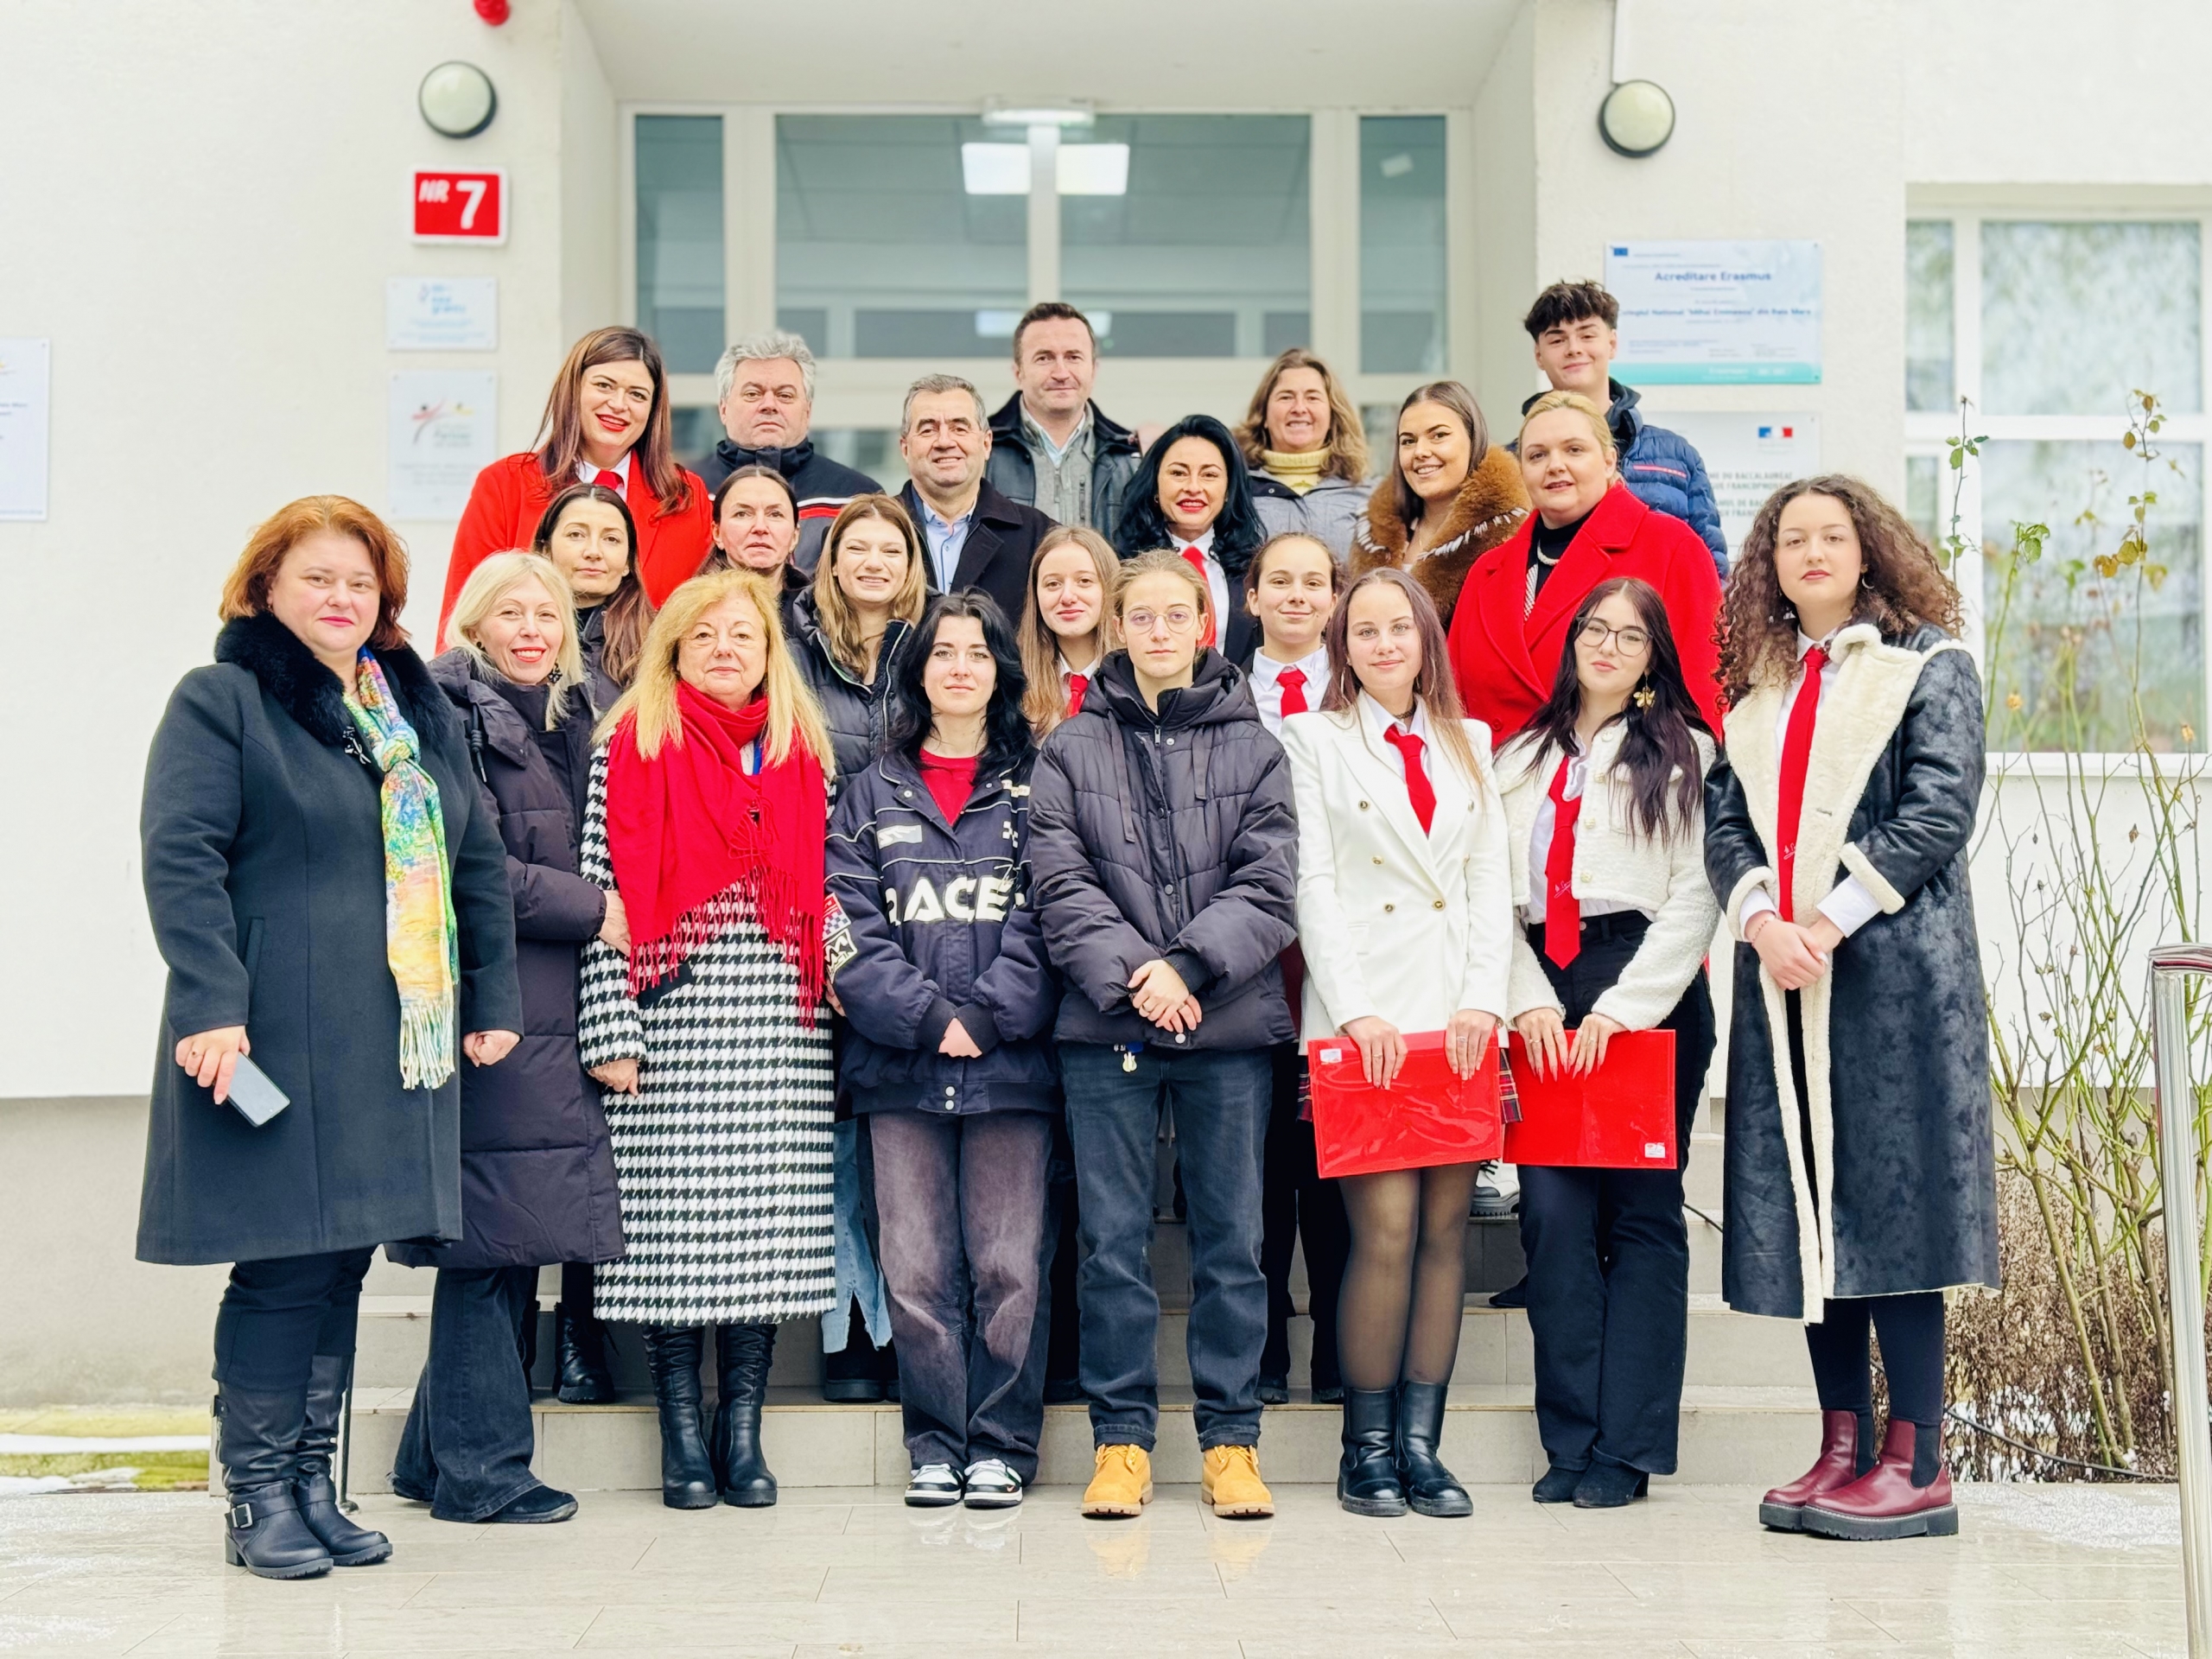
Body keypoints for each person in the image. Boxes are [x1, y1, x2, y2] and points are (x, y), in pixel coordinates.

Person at [139, 496, 521, 1578]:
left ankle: (313, 1483)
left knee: (343, 1259)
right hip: (274, 1030)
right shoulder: (224, 700)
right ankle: (257, 1496)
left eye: (361, 583)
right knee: (283, 1265)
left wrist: (491, 999)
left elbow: (473, 859)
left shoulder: (407, 712)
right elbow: (182, 857)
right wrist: (210, 1002)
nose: (342, 599)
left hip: (393, 1036)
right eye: (317, 578)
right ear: (266, 588)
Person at [1705, 476, 1995, 1541]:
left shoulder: (1928, 665)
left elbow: (1936, 811)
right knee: (1812, 1212)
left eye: (1832, 536)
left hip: (1894, 985)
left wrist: (1823, 922)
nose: (1812, 553)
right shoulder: (1761, 690)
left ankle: (1915, 1462)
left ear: (1866, 551)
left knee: (1892, 1209)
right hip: (1785, 981)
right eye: (1792, 540)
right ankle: (1842, 1446)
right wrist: (1760, 922)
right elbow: (1725, 821)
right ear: (1771, 565)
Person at [1028, 549, 1299, 1522]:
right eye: (1137, 616)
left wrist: (1186, 967)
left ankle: (1231, 1443)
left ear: (1202, 626)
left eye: (1173, 615)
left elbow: (1270, 884)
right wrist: (1138, 976)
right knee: (1111, 1244)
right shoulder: (1070, 747)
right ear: (1117, 628)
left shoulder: (1255, 748)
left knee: (1232, 1243)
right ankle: (1122, 1444)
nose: (1156, 631)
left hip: (1226, 1024)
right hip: (1107, 1025)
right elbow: (1058, 882)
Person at [575, 569, 839, 1510]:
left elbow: (831, 891)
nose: (725, 649)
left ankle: (743, 1431)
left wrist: (846, 987)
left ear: (770, 653)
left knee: (764, 1239)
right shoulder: (630, 748)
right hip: (670, 1019)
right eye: (705, 636)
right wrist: (609, 1025)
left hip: (781, 1030)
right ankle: (681, 1434)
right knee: (670, 1242)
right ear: (674, 649)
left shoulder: (802, 752)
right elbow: (600, 896)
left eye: (743, 636)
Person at [391, 553, 628, 1523]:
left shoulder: (576, 711)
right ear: (474, 622)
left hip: (550, 1002)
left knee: (506, 1232)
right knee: (491, 1244)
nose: (532, 630)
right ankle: (484, 1475)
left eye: (548, 614)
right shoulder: (445, 711)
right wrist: (598, 907)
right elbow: (468, 861)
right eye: (511, 613)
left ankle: (427, 1461)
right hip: (497, 1001)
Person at [1279, 568, 1510, 1520]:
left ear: (1425, 642)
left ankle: (1422, 1448)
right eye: (1364, 631)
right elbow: (1313, 884)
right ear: (1343, 646)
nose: (1383, 645)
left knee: (1446, 1234)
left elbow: (1490, 878)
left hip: (1457, 1018)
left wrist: (1484, 1000)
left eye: (1398, 629)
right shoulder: (1313, 738)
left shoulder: (1470, 741)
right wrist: (1356, 1010)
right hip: (1365, 1017)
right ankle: (1365, 1449)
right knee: (1384, 1232)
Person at [826, 593, 1061, 1510]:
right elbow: (844, 924)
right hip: (901, 1069)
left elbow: (1057, 912)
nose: (960, 668)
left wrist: (990, 1015)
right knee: (916, 1269)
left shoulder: (1041, 785)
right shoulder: (867, 790)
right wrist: (928, 1018)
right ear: (918, 672)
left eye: (977, 652)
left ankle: (1000, 1444)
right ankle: (933, 1444)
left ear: (1001, 671)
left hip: (1011, 1068)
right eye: (942, 653)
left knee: (1009, 1265)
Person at [1497, 578, 1719, 1510]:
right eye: (1596, 628)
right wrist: (1524, 1000)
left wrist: (1624, 1011)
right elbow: (1484, 892)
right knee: (1551, 1219)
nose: (1608, 646)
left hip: (1644, 990)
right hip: (1541, 991)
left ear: (1652, 655)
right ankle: (1572, 1439)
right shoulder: (1516, 757)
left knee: (1639, 1219)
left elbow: (1697, 895)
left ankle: (1627, 1448)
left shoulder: (1686, 751)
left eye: (1631, 636)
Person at [790, 493, 927, 1400]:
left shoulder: (933, 648)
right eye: (858, 547)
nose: (874, 562)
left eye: (892, 549)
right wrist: (828, 935)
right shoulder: (794, 652)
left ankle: (910, 1323)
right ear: (831, 560)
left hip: (927, 917)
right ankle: (850, 1330)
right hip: (824, 907)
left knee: (902, 1131)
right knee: (838, 1135)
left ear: (912, 567)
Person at [1234, 532, 1351, 1408]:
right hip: (1250, 955)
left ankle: (1341, 1352)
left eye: (1315, 582)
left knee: (1336, 1163)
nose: (1297, 596)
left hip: (1340, 955)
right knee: (1260, 1164)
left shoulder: (1359, 694)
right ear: (1251, 597)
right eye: (1281, 581)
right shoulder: (1221, 692)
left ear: (1335, 599)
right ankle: (1265, 1347)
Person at [1448, 391, 1726, 745]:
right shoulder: (1486, 571)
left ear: (1609, 461)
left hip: (1622, 773)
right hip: (1494, 774)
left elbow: (1704, 697)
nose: (1555, 465)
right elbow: (1452, 703)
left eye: (1574, 450)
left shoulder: (1672, 549)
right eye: (1537, 455)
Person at [442, 326, 710, 635]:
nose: (619, 404)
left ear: (653, 409)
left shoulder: (685, 497)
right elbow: (463, 617)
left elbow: (701, 620)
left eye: (637, 394)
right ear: (573, 390)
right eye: (604, 385)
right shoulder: (504, 484)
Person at [1523, 280, 1729, 575]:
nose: (1574, 349)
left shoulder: (1677, 455)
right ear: (1538, 355)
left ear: (1612, 343)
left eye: (1587, 335)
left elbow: (1711, 565)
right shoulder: (1515, 463)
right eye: (1557, 340)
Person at [696, 329, 880, 573]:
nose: (769, 405)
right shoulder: (682, 491)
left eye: (785, 395)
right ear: (723, 408)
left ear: (808, 411)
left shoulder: (855, 496)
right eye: (752, 394)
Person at [1349, 381, 1529, 629]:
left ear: (1473, 439)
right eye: (1408, 441)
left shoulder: (1511, 535)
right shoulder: (1372, 535)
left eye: (1439, 436)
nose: (1420, 452)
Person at [896, 372, 1055, 624]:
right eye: (928, 430)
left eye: (960, 428)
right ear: (905, 448)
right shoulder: (874, 531)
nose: (944, 441)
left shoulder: (1039, 536)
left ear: (986, 444)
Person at [1114, 413, 1268, 663]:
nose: (1193, 487)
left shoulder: (1255, 569)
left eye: (1209, 475)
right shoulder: (1120, 564)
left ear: (1228, 490)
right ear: (1155, 485)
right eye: (1178, 473)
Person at [984, 302, 1143, 532]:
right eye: (1044, 358)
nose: (1061, 373)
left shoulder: (1131, 456)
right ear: (1019, 374)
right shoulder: (981, 450)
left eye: (1073, 357)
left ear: (1094, 370)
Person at [1234, 348, 1371, 559]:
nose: (1299, 408)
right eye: (1286, 397)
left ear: (1333, 415)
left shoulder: (1366, 495)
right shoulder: (1236, 490)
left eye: (1312, 397)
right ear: (1264, 415)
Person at [533, 481, 652, 721]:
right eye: (576, 535)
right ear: (545, 550)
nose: (594, 552)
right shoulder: (513, 633)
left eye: (611, 539)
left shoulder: (657, 641)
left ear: (628, 562)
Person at [1017, 524, 1119, 741]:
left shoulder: (1139, 679)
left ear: (1111, 588)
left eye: (1084, 581)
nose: (1067, 597)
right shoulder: (1013, 684)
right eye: (1053, 584)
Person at [703, 464, 810, 620]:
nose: (760, 527)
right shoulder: (689, 613)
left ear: (795, 536)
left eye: (775, 514)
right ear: (717, 533)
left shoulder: (822, 613)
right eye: (742, 514)